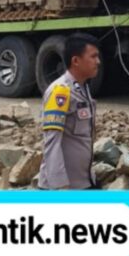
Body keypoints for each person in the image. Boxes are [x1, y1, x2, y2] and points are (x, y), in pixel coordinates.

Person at [38, 34, 101, 190]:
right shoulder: (60, 91)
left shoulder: (83, 88)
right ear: (76, 61)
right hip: (64, 188)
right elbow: (52, 143)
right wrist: (60, 187)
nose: (98, 62)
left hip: (83, 183)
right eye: (93, 56)